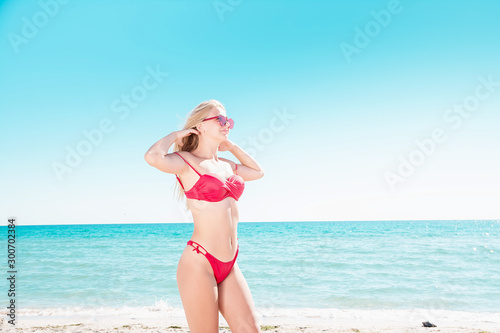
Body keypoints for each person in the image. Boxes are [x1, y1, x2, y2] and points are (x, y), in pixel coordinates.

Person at [144, 99, 264, 332]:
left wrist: (233, 147)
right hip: (200, 262)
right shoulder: (187, 162)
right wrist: (176, 135)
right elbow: (153, 157)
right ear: (200, 127)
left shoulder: (227, 165)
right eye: (219, 119)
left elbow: (258, 172)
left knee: (251, 330)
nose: (226, 123)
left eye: (228, 119)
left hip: (229, 264)